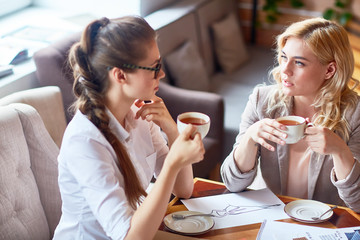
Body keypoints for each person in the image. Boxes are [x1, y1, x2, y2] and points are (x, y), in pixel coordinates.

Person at [53, 16, 205, 240]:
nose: (161, 74)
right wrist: (173, 163)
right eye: (154, 67)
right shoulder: (85, 142)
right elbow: (129, 237)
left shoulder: (140, 115)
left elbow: (183, 190)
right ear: (120, 75)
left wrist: (173, 132)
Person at [221, 17, 360, 212]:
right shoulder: (261, 100)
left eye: (299, 63)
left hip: (325, 226)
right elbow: (231, 183)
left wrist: (340, 152)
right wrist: (250, 138)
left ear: (329, 70)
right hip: (270, 219)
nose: (284, 70)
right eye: (284, 57)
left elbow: (358, 202)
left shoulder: (355, 113)